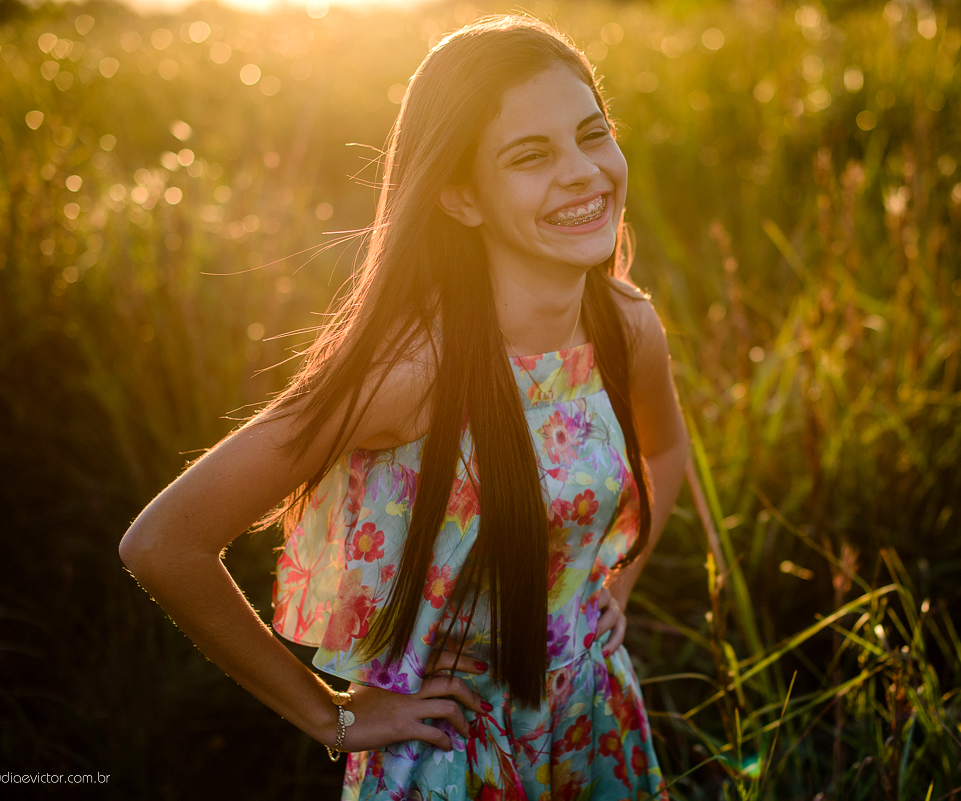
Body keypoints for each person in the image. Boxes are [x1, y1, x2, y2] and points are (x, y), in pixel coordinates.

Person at [119, 14, 691, 801]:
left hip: (592, 722)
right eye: (531, 155)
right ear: (459, 196)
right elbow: (164, 543)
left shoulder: (625, 325)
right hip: (452, 751)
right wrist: (334, 719)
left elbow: (663, 453)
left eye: (593, 135)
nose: (583, 172)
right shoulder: (411, 373)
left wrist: (611, 585)